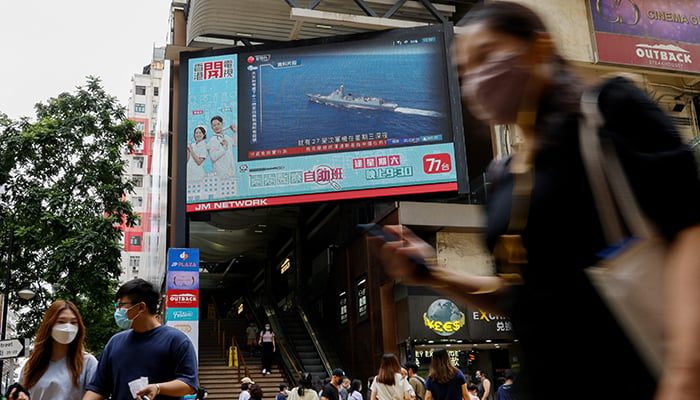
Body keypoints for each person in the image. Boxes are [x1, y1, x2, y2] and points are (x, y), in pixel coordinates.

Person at [372, 2, 700, 400]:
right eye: (466, 70)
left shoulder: (609, 110)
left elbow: (688, 228)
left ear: (539, 47)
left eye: (488, 54)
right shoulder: (505, 175)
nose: (477, 77)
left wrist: (686, 372)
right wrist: (433, 273)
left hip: (634, 379)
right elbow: (522, 297)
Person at [83, 278, 198, 400]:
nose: (117, 311)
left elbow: (188, 384)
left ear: (141, 307)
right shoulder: (115, 342)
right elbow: (99, 388)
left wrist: (158, 388)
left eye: (120, 305)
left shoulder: (176, 341)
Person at [13, 300, 98, 400]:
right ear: (49, 325)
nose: (68, 327)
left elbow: (98, 394)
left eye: (74, 322)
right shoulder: (31, 366)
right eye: (61, 321)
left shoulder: (88, 363)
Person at [206, 115, 237, 181]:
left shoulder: (227, 137)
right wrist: (224, 148)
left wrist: (235, 131)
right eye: (214, 125)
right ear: (212, 128)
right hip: (221, 175)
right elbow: (213, 157)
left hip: (231, 173)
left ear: (222, 124)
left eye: (218, 124)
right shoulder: (212, 141)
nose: (216, 127)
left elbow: (235, 143)